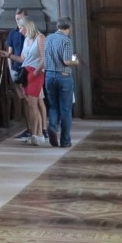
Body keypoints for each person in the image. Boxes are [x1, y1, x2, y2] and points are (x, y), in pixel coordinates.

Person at [42, 17, 78, 147]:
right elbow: (67, 61)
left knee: (53, 106)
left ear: (58, 26)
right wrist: (76, 61)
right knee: (66, 109)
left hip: (49, 75)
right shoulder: (66, 40)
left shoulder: (48, 38)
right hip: (63, 76)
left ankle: (52, 127)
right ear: (69, 27)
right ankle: (65, 140)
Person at [0, 8, 33, 139]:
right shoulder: (13, 33)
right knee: (23, 99)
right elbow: (10, 52)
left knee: (33, 100)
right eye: (16, 19)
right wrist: (11, 70)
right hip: (16, 68)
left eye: (20, 19)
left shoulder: (30, 33)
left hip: (29, 69)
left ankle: (38, 129)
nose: (18, 22)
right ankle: (29, 127)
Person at [18, 17, 47, 145]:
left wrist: (36, 72)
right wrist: (8, 56)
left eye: (21, 28)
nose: (20, 30)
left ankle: (37, 134)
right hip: (26, 72)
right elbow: (23, 58)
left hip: (36, 73)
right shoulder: (26, 39)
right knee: (30, 105)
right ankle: (36, 134)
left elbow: (44, 58)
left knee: (34, 104)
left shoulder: (40, 37)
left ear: (27, 26)